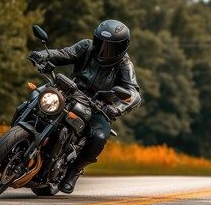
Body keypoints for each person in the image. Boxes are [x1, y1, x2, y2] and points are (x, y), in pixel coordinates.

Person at [29, 19, 141, 194]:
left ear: (121, 48)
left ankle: (73, 172)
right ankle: (17, 137)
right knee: (37, 95)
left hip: (99, 105)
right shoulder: (86, 47)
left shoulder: (125, 64)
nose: (103, 50)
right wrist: (44, 55)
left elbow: (133, 93)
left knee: (99, 136)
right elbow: (64, 53)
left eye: (109, 47)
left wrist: (115, 109)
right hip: (71, 91)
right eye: (99, 43)